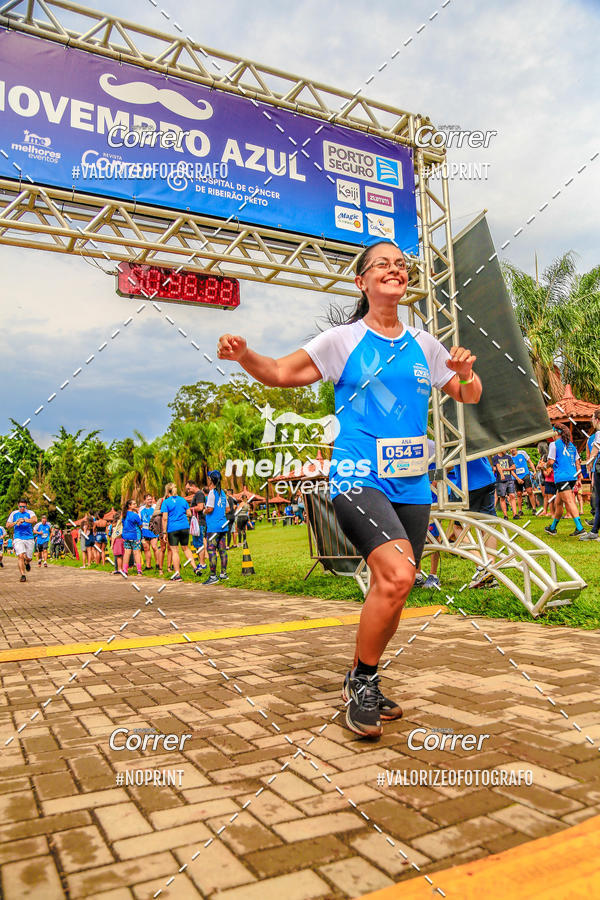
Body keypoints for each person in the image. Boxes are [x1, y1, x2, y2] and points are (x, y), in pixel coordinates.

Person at [217, 238, 482, 738]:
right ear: (362, 281)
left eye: (400, 264)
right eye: (381, 264)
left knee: (394, 589)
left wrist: (465, 374)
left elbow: (467, 394)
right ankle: (360, 684)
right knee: (400, 575)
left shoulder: (425, 344)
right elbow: (278, 373)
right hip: (357, 475)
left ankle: (364, 677)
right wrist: (246, 354)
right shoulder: (341, 341)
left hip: (411, 486)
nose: (394, 269)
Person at [447, 457, 499, 589]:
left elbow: (447, 462)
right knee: (488, 525)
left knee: (458, 527)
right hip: (487, 478)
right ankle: (490, 569)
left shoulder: (452, 436)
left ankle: (482, 566)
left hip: (468, 483)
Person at [544, 425, 586, 537]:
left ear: (556, 433)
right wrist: (579, 476)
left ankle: (580, 528)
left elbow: (551, 462)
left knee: (569, 501)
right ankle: (552, 528)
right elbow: (578, 461)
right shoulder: (571, 445)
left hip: (562, 478)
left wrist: (544, 465)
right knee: (558, 503)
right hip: (572, 477)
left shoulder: (554, 445)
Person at [161, 483, 196, 581]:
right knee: (186, 548)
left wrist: (164, 533)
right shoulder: (183, 500)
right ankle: (195, 568)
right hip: (184, 526)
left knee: (175, 551)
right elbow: (189, 513)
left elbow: (164, 518)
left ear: (167, 491)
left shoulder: (166, 502)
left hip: (173, 528)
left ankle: (177, 574)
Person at [203, 470, 229, 584]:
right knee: (222, 550)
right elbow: (227, 509)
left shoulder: (212, 493)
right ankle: (223, 574)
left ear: (211, 480)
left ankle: (213, 576)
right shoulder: (222, 493)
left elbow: (210, 509)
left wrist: (204, 511)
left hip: (213, 527)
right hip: (223, 525)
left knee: (211, 550)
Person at [579, 410, 600, 540]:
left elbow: (595, 451)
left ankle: (594, 532)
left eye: (592, 418)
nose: (591, 420)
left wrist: (588, 463)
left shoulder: (598, 433)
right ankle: (594, 530)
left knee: (599, 501)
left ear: (597, 419)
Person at [6, 499, 37, 582]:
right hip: (18, 537)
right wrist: (16, 522)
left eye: (24, 506)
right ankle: (23, 575)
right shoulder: (14, 514)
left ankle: (27, 562)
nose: (22, 508)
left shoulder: (30, 513)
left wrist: (24, 520)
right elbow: (8, 525)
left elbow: (35, 520)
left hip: (29, 538)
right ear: (18, 506)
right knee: (20, 556)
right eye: (21, 506)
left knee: (29, 558)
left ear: (26, 506)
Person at [186, 480, 207, 572]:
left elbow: (200, 507)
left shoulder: (199, 494)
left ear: (193, 485)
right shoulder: (197, 494)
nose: (188, 490)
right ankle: (201, 562)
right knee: (197, 544)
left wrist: (189, 509)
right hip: (196, 523)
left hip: (199, 522)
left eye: (189, 488)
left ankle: (202, 563)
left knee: (199, 543)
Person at [491, 450, 519, 519]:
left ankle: (515, 514)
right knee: (502, 497)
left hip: (509, 479)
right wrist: (501, 474)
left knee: (512, 495)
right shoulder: (495, 458)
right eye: (505, 449)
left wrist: (505, 469)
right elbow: (497, 467)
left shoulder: (508, 457)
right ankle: (505, 515)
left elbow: (514, 467)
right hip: (500, 481)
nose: (506, 450)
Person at [510, 448, 537, 514]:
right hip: (516, 477)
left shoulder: (522, 453)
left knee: (529, 491)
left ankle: (534, 508)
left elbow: (530, 462)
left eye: (513, 448)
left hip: (525, 474)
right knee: (519, 493)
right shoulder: (509, 457)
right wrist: (517, 479)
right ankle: (520, 510)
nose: (512, 450)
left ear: (515, 448)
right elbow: (510, 470)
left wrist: (534, 471)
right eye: (510, 449)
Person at [121, 500, 143, 576]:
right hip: (134, 535)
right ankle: (139, 570)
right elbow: (141, 525)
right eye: (134, 504)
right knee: (136, 553)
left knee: (127, 553)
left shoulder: (123, 515)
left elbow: (123, 525)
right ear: (129, 506)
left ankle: (125, 570)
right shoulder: (134, 515)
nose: (135, 505)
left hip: (125, 536)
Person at [139, 495, 159, 570]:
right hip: (144, 531)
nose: (150, 501)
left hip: (153, 530)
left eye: (151, 499)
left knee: (154, 547)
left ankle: (158, 564)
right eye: (148, 499)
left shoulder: (155, 507)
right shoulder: (141, 509)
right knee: (146, 548)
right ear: (144, 500)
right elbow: (139, 519)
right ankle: (148, 566)